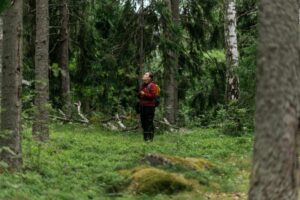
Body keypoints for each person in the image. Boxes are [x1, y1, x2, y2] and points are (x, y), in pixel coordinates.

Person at [138, 72, 157, 142]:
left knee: (149, 122)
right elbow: (140, 95)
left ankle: (150, 139)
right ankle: (145, 138)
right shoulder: (143, 85)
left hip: (150, 107)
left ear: (149, 78)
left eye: (146, 74)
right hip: (143, 107)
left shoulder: (153, 85)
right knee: (143, 123)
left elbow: (152, 96)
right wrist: (140, 94)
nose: (144, 75)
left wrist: (144, 94)